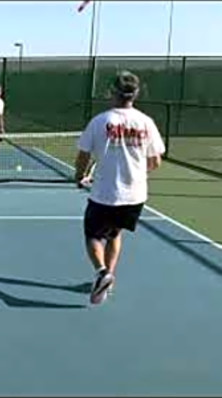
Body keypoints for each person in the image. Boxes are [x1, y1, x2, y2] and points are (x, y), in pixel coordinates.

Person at [74, 71, 165, 305]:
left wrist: (79, 175)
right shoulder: (146, 122)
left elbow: (83, 155)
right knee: (115, 233)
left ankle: (102, 272)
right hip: (135, 195)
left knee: (93, 236)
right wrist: (136, 174)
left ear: (113, 92)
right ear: (135, 94)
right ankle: (107, 282)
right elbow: (155, 161)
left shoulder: (100, 121)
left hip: (105, 194)